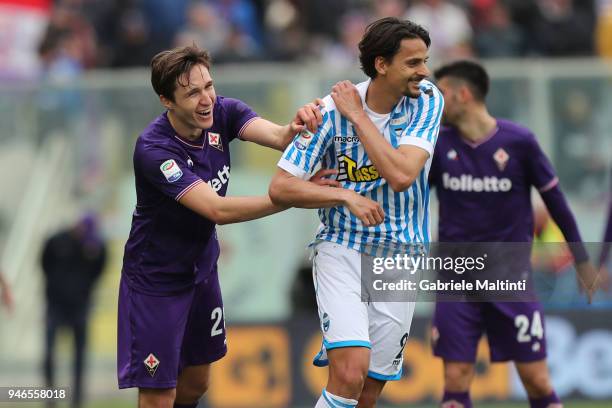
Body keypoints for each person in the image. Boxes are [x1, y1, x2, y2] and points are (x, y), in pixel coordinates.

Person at [117, 44, 333, 408]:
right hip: (156, 282)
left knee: (197, 382)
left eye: (208, 86)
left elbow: (279, 137)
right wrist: (291, 197)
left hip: (201, 271)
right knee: (159, 394)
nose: (206, 100)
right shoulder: (154, 150)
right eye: (192, 93)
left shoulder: (224, 112)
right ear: (166, 100)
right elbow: (216, 209)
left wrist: (299, 124)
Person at [269, 17, 443, 408]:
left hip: (402, 255)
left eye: (425, 61)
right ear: (382, 64)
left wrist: (359, 117)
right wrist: (343, 197)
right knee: (349, 372)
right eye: (413, 63)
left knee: (367, 392)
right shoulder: (328, 112)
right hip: (342, 249)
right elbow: (280, 186)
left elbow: (401, 175)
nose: (424, 72)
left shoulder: (428, 99)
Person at [429, 60, 601, 408]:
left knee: (536, 379)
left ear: (464, 94)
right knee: (455, 378)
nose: (434, 101)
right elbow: (410, 197)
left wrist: (582, 260)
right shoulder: (436, 144)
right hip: (455, 278)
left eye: (441, 93)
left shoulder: (519, 142)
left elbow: (557, 203)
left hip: (510, 278)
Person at [41, 213, 107, 408]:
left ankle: (77, 400)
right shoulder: (56, 240)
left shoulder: (95, 245)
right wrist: (55, 288)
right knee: (49, 355)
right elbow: (44, 264)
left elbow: (100, 268)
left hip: (80, 308)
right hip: (55, 306)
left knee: (79, 356)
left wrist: (85, 290)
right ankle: (50, 397)